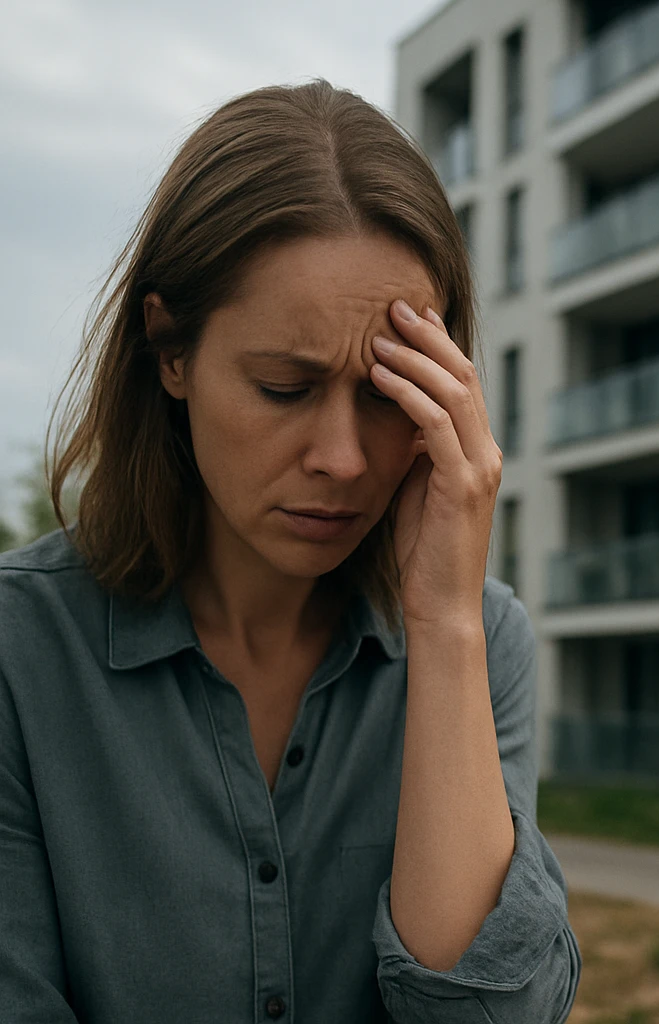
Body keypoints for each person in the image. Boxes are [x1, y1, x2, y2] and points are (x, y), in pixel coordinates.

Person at [0, 81, 579, 1022]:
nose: (345, 461)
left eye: (391, 395)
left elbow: (496, 1015)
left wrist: (442, 627)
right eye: (282, 387)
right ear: (170, 350)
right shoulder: (22, 649)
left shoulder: (480, 640)